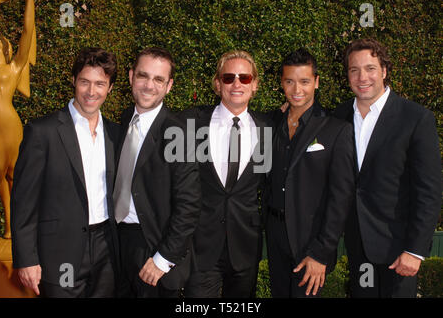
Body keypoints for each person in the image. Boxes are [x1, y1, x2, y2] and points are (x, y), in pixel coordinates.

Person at [334, 38, 441, 298]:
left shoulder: (416, 118)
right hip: (358, 247)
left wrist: (415, 251)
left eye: (370, 68)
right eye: (354, 70)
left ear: (383, 71)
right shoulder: (337, 117)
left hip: (399, 250)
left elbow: (429, 191)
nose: (362, 77)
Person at [11, 47, 121, 297]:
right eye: (84, 82)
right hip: (59, 253)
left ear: (110, 88)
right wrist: (26, 258)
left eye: (100, 84)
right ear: (73, 81)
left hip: (106, 250)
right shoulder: (42, 132)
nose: (91, 92)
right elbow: (23, 201)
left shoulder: (116, 134)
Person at [264, 48, 355, 298]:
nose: (296, 90)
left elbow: (341, 199)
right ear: (281, 83)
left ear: (316, 82)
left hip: (310, 241)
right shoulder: (272, 123)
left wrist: (321, 252)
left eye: (304, 81)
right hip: (275, 233)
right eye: (289, 81)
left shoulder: (336, 130)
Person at [114, 47, 201, 298]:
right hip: (118, 245)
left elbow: (189, 205)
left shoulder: (178, 134)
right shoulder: (121, 122)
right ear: (131, 76)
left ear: (169, 86)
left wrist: (163, 259)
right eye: (143, 76)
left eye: (159, 79)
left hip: (153, 249)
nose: (149, 85)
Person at [182, 50, 268, 298]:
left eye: (245, 78)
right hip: (201, 248)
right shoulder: (192, 123)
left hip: (246, 246)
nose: (237, 84)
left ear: (255, 85)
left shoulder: (268, 128)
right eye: (229, 77)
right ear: (218, 84)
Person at [0, 0, 36, 239]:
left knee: (15, 176)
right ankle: (10, 227)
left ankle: (21, 226)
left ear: (8, 49)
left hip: (11, 125)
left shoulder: (13, 69)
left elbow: (28, 30)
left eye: (2, 40)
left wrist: (29, 0)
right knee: (1, 177)